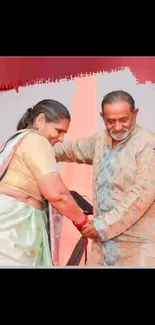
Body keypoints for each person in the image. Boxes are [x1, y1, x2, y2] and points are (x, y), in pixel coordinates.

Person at [55, 90, 155, 267]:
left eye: (124, 120)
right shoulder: (101, 139)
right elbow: (72, 150)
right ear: (103, 117)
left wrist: (102, 226)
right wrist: (38, 149)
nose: (117, 127)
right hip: (101, 248)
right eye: (110, 121)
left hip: (137, 247)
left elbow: (141, 196)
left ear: (135, 114)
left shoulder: (148, 145)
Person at [0, 99, 89, 267]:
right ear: (40, 120)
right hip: (12, 231)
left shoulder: (15, 141)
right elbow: (57, 194)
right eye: (59, 131)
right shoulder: (36, 140)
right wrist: (83, 222)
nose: (62, 139)